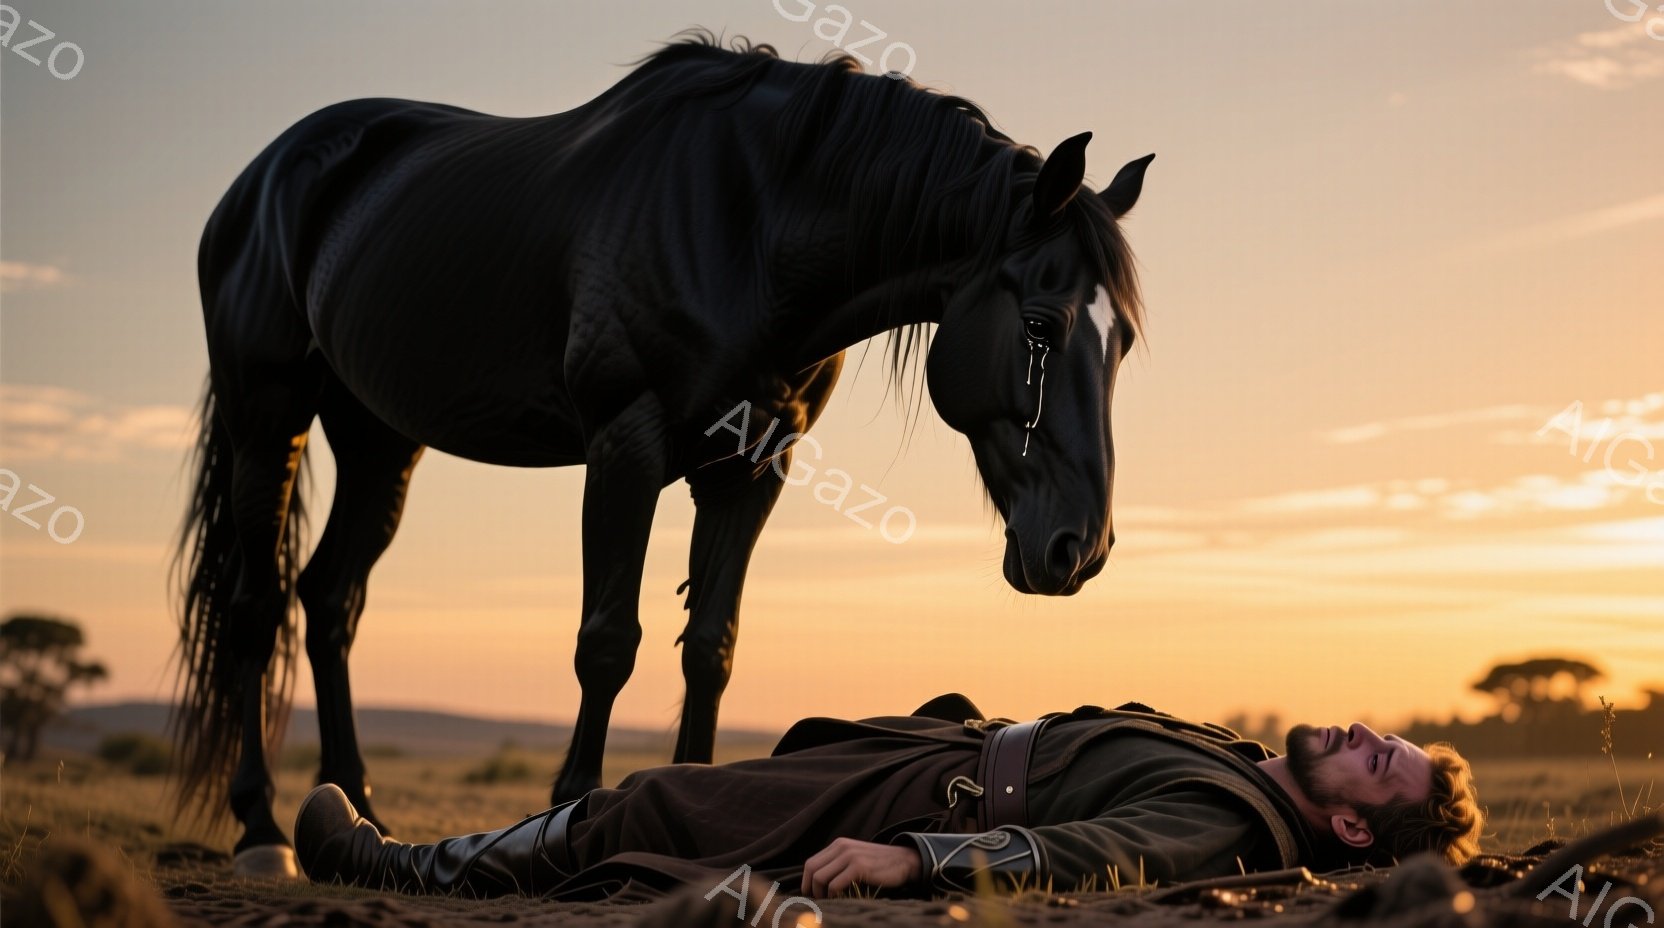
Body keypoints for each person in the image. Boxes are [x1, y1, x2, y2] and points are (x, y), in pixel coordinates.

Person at [295, 694, 1483, 901]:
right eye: (1386, 735)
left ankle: (394, 869)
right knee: (689, 794)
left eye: (1380, 764)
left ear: (1345, 822)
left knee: (655, 808)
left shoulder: (1229, 821)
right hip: (937, 751)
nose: (1365, 733)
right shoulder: (1242, 759)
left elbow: (1096, 854)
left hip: (933, 806)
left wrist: (916, 859)